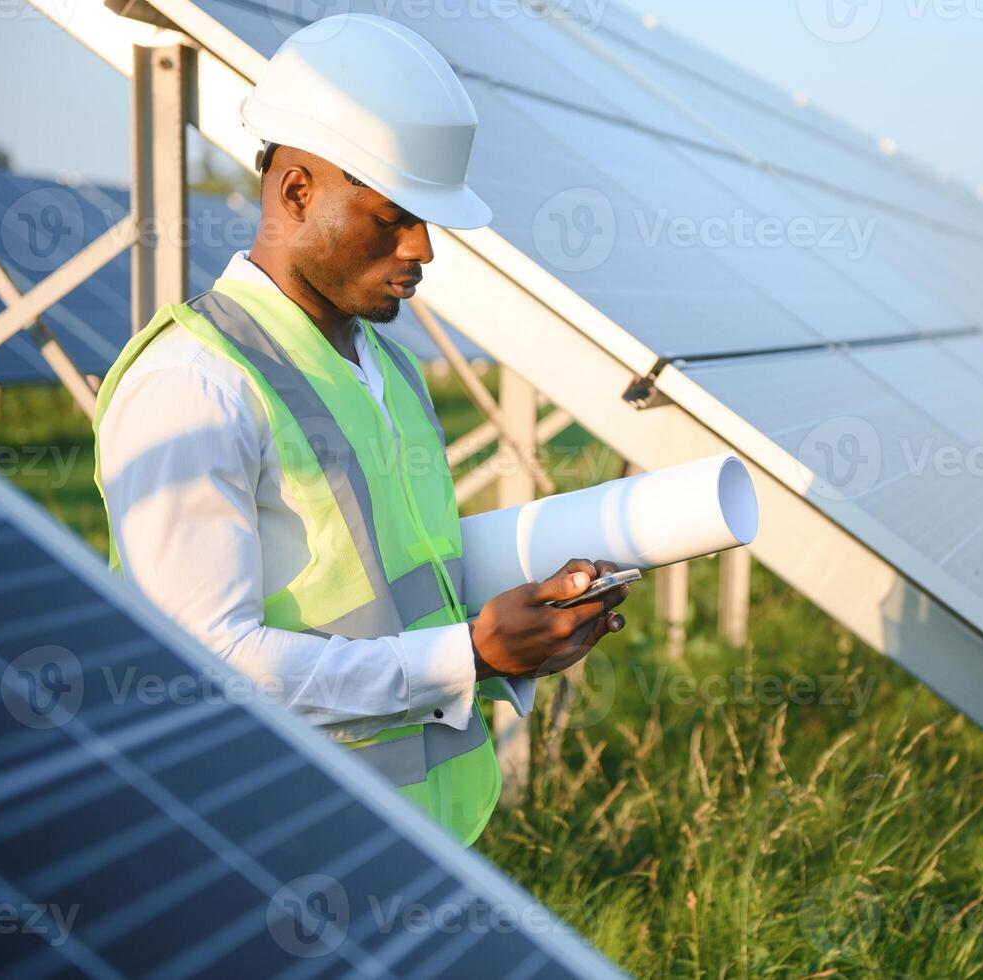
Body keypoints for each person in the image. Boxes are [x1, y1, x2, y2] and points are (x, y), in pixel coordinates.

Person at [92, 13, 628, 846]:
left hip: (423, 839)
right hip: (273, 849)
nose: (422, 248)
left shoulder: (389, 369)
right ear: (296, 189)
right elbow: (199, 668)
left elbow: (400, 582)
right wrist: (473, 657)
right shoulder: (194, 384)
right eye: (392, 216)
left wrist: (535, 613)